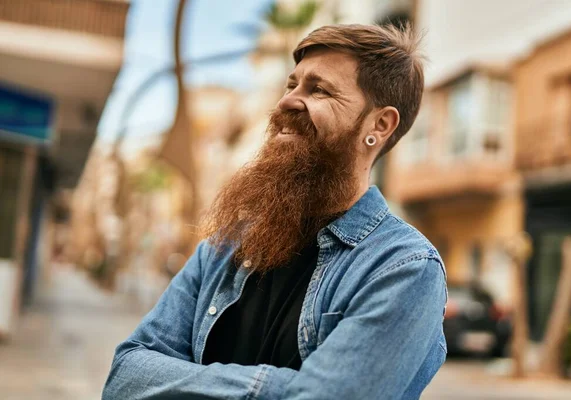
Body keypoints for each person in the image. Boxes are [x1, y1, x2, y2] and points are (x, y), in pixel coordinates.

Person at [103, 23, 447, 400]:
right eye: (291, 85)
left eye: (319, 90)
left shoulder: (403, 268)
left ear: (379, 125)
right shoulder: (223, 250)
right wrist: (279, 387)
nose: (287, 101)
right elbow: (126, 376)